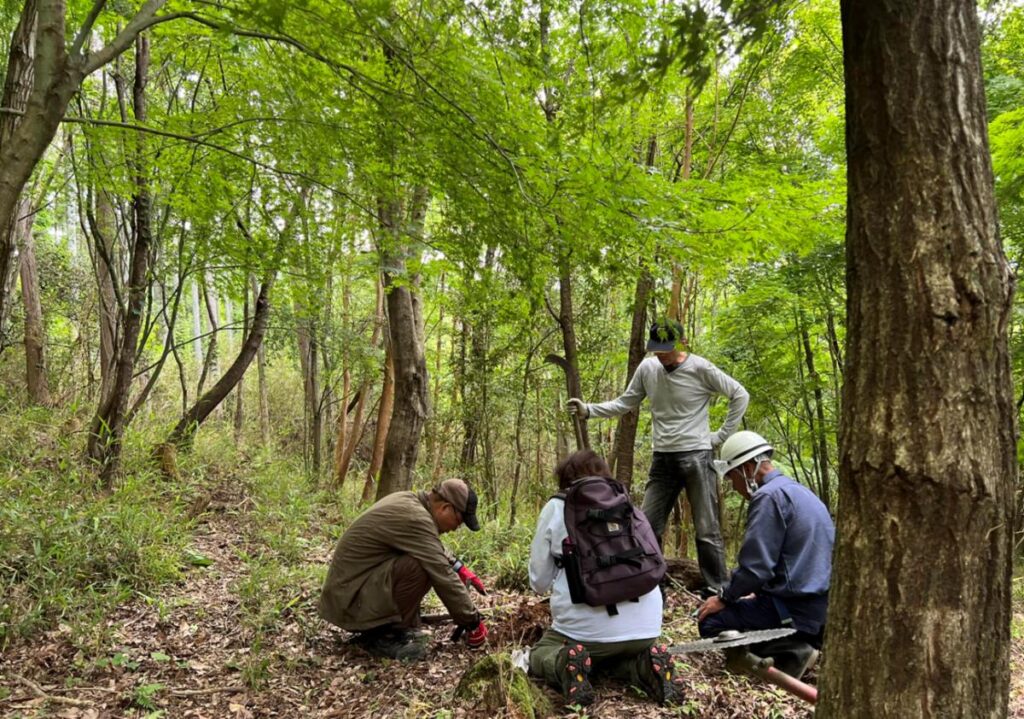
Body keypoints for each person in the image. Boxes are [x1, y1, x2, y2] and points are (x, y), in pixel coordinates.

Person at [568, 319, 749, 592]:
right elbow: (626, 401)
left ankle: (718, 590)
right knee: (647, 525)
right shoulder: (648, 368)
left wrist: (720, 436)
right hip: (662, 458)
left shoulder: (700, 368)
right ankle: (652, 584)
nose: (661, 354)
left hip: (697, 457)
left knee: (706, 529)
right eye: (656, 349)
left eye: (666, 348)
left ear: (681, 342)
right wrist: (589, 410)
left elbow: (739, 394)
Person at [528, 449, 685, 707]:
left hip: (585, 633)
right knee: (615, 659)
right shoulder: (627, 505)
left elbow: (538, 582)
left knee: (540, 653)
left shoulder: (557, 506)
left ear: (564, 481)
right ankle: (643, 665)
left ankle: (566, 663)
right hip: (646, 630)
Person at [696, 431, 835, 678]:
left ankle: (792, 650)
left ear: (747, 469)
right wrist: (757, 591)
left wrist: (725, 597)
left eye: (731, 478)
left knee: (709, 622)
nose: (733, 486)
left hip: (793, 612)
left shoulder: (768, 497)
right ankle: (798, 644)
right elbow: (790, 561)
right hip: (821, 610)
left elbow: (756, 567)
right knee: (745, 607)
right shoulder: (802, 493)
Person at [319, 478, 488, 661]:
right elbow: (441, 571)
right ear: (445, 507)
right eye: (459, 520)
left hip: (352, 593)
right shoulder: (417, 518)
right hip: (350, 602)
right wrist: (473, 621)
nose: (456, 528)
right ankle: (382, 638)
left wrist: (460, 567)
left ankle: (388, 628)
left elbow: (432, 545)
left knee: (424, 561)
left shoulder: (411, 501)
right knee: (422, 567)